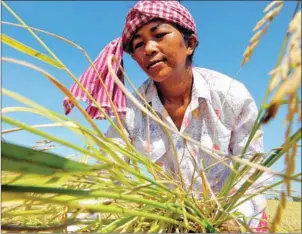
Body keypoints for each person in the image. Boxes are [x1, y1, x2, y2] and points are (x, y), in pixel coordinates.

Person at [64, 0, 270, 232]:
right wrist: (78, 221)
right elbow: (107, 173)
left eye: (159, 35)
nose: (148, 49)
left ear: (189, 43)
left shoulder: (232, 96)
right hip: (172, 221)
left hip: (231, 218)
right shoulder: (132, 111)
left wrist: (232, 220)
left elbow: (253, 174)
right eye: (139, 44)